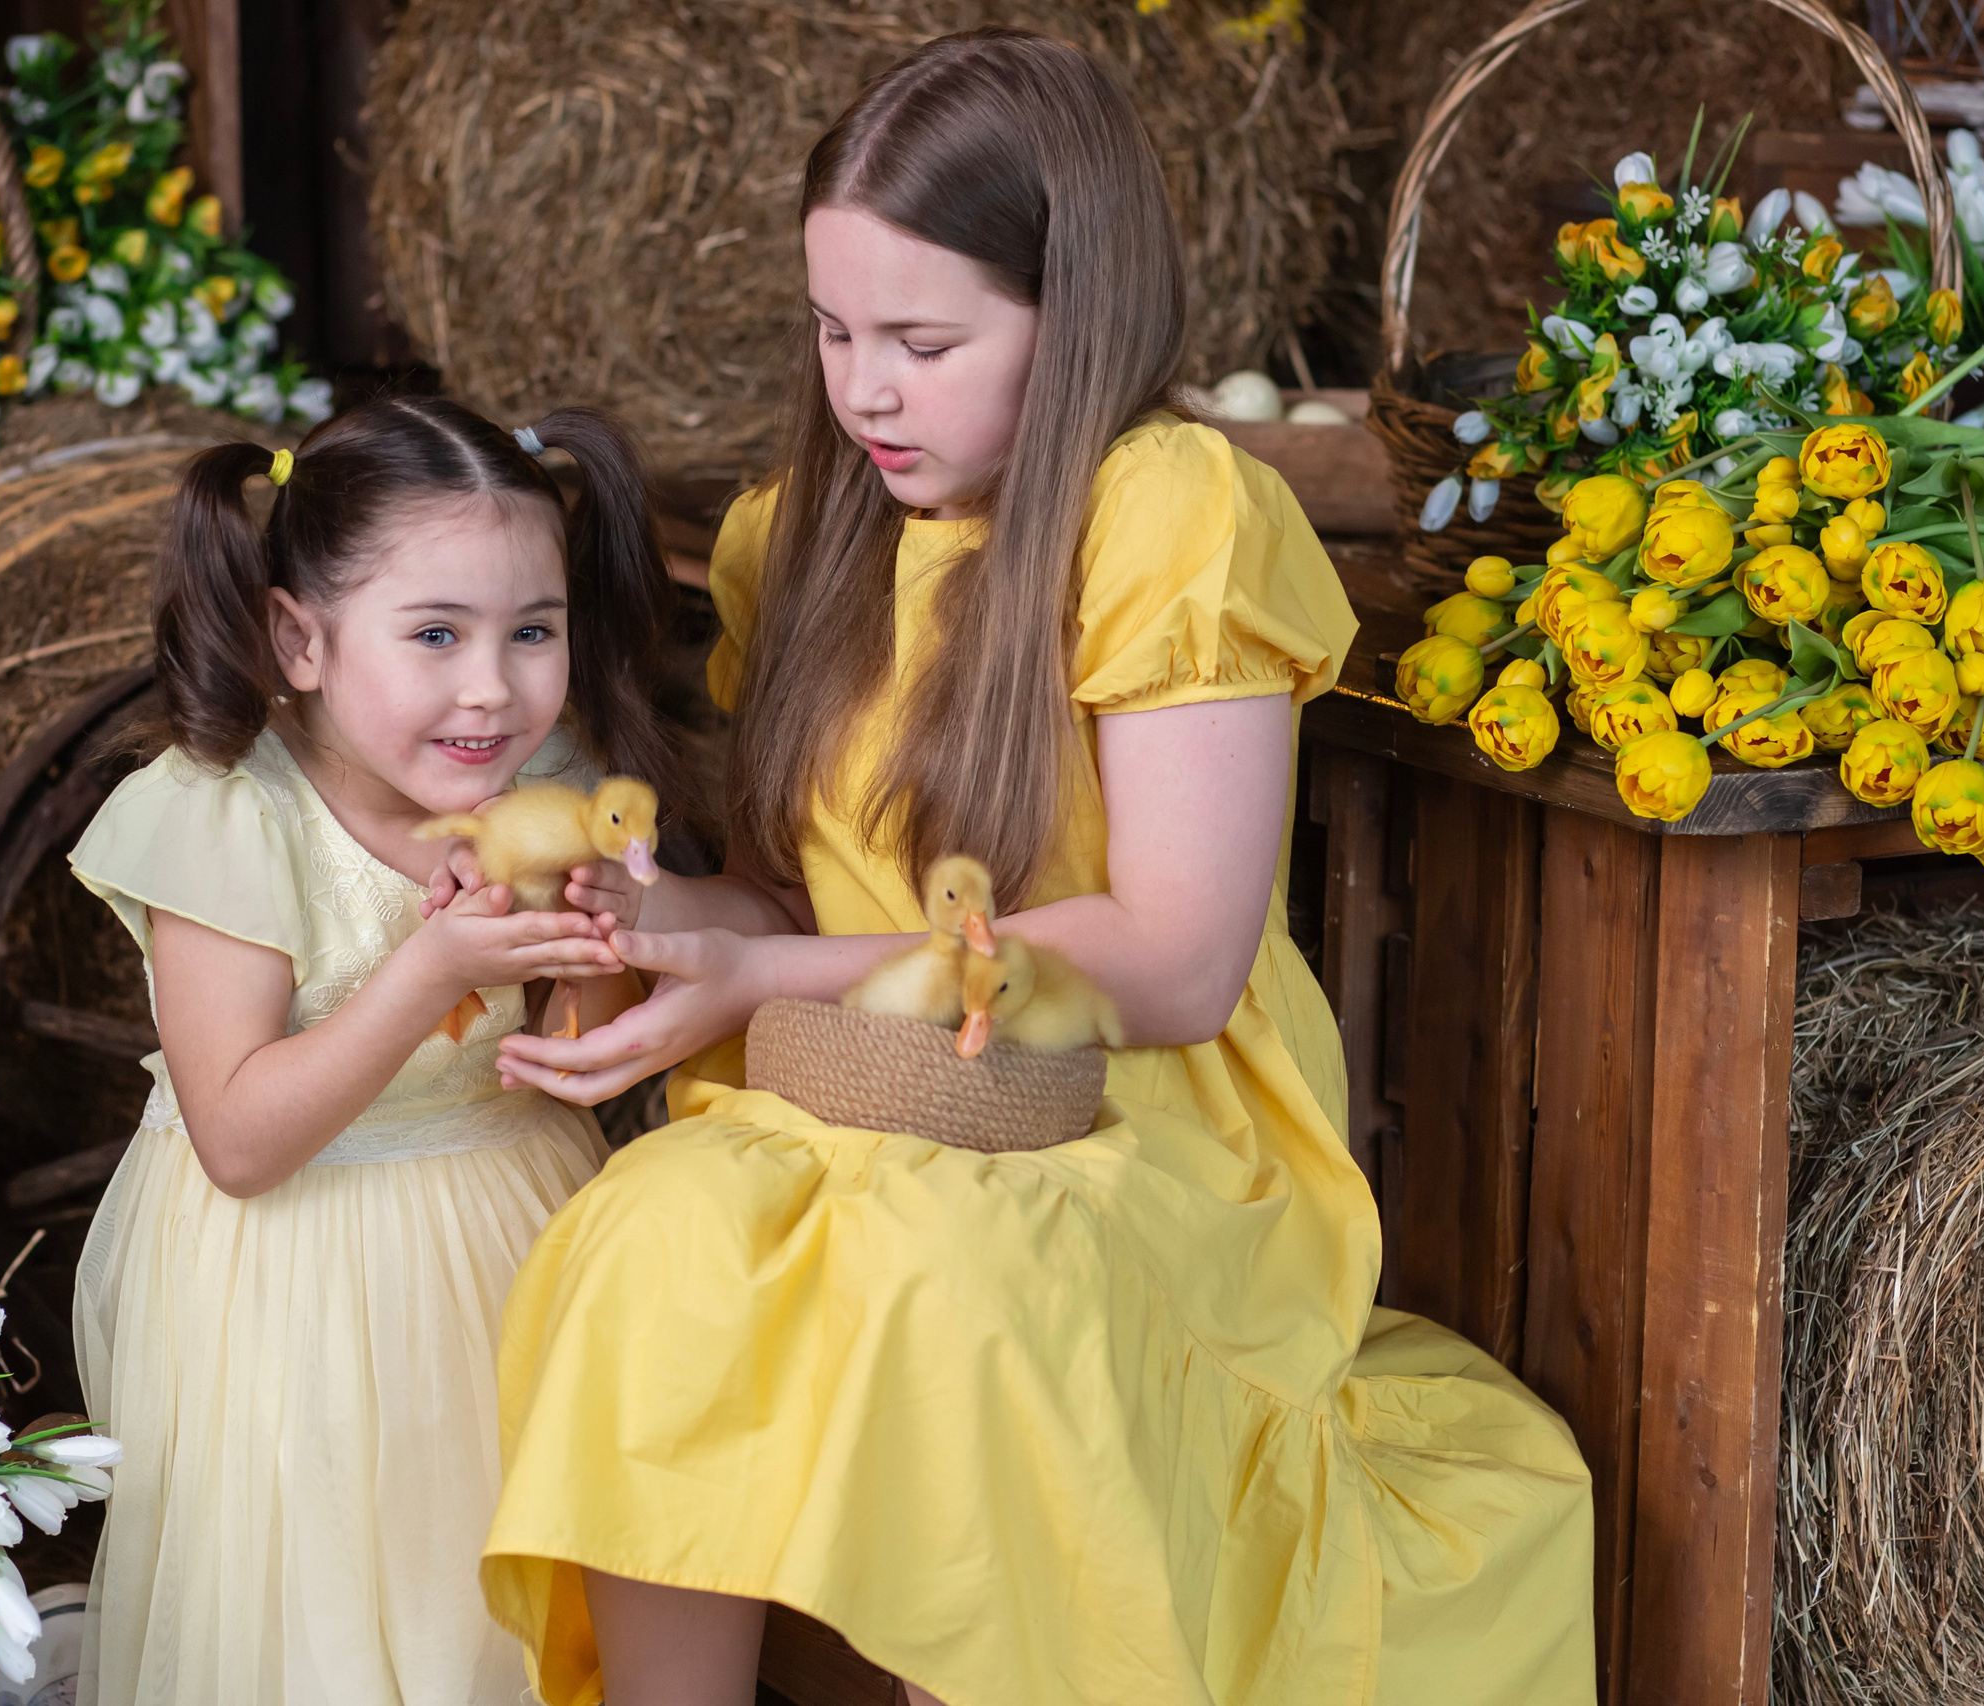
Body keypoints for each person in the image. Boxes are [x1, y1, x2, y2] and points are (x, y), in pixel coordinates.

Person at [478, 30, 1596, 1706]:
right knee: (648, 1238)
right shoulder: (808, 533)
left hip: (1132, 1115)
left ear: (1075, 312)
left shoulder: (1165, 510)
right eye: (835, 330)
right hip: (866, 1086)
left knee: (962, 1290)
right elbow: (806, 904)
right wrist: (657, 924)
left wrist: (760, 974)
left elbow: (1172, 956)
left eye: (923, 340)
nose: (864, 388)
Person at [67, 394, 679, 1705]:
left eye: (533, 631)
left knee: (492, 1587)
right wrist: (432, 969)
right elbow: (237, 1136)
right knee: (333, 1601)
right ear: (300, 636)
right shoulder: (226, 817)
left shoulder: (552, 782)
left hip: (515, 1213)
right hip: (294, 1278)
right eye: (437, 634)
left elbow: (584, 1037)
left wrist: (591, 948)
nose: (492, 684)